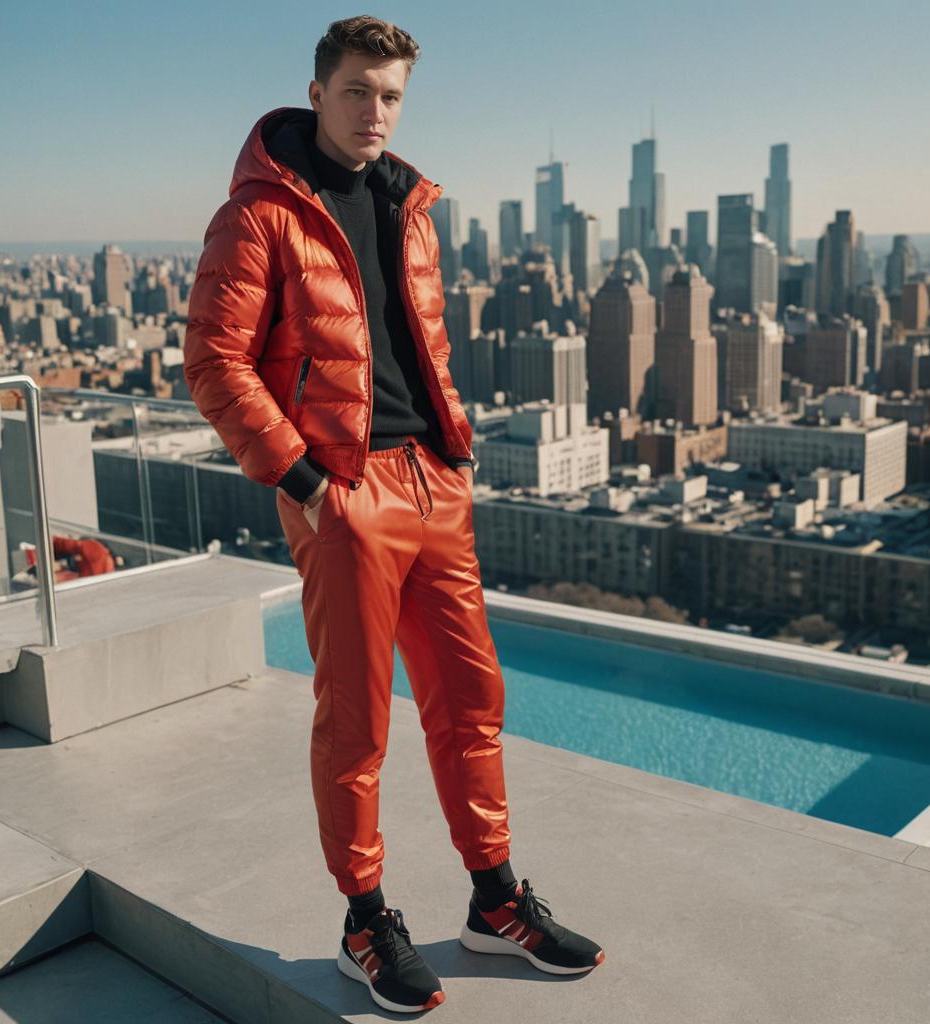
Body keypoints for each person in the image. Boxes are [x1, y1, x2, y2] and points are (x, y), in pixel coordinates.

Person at [183, 15, 603, 1014]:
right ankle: (364, 920)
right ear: (319, 91)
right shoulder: (256, 216)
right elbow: (213, 362)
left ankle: (495, 901)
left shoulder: (408, 202)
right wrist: (305, 482)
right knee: (358, 720)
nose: (378, 112)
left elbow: (414, 346)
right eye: (361, 90)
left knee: (471, 700)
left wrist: (454, 457)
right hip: (344, 490)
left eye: (393, 96)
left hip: (435, 481)